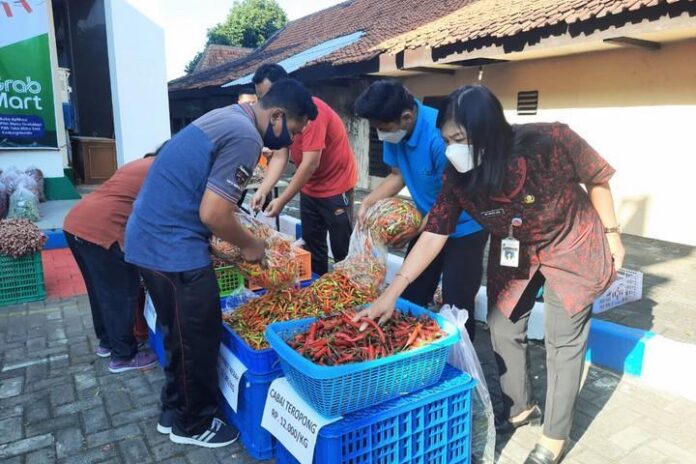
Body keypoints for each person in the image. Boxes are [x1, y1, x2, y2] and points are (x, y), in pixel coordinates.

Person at [357, 85, 625, 464]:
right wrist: (393, 289)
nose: (452, 149)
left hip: (571, 245)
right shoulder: (458, 176)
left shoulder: (549, 140)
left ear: (489, 132)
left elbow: (597, 177)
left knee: (562, 344)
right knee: (502, 326)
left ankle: (554, 437)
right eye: (446, 139)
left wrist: (613, 235)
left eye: (459, 139)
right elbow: (435, 231)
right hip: (516, 246)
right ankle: (519, 407)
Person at [124, 79, 318, 448]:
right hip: (172, 247)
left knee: (178, 333)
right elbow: (214, 213)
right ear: (276, 115)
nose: (290, 140)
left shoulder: (229, 116)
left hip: (154, 240)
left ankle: (174, 411)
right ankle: (193, 425)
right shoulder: (246, 136)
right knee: (198, 335)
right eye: (292, 130)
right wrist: (251, 246)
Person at [353, 80, 488, 340]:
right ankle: (410, 348)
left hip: (465, 227)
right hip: (429, 223)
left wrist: (414, 229)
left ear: (406, 117)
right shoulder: (396, 130)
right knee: (411, 292)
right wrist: (369, 201)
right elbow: (398, 174)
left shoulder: (441, 136)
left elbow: (448, 202)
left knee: (456, 304)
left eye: (382, 128)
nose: (381, 134)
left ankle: (462, 366)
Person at [63, 148, 164, 374]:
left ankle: (108, 342)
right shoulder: (161, 169)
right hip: (101, 232)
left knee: (99, 290)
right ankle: (124, 356)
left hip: (75, 224)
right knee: (121, 293)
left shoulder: (137, 164)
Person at [250, 64, 358, 275]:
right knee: (312, 244)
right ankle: (318, 289)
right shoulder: (278, 116)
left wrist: (281, 200)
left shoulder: (309, 113)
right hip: (309, 188)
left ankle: (350, 293)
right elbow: (281, 155)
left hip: (336, 187)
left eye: (267, 95)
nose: (264, 104)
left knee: (341, 247)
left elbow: (310, 164)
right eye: (260, 97)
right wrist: (263, 190)